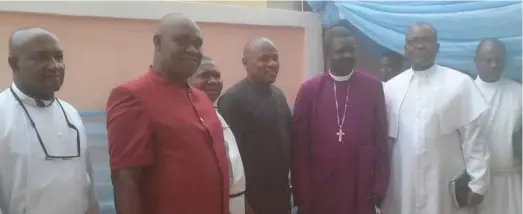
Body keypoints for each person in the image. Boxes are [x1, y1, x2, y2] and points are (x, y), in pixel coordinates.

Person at [106, 14, 229, 214]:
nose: (192, 50)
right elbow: (125, 181)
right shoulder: (132, 96)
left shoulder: (202, 99)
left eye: (198, 44)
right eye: (182, 41)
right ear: (158, 43)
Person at [382, 23, 490, 214]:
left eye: (426, 41)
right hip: (402, 184)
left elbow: (474, 139)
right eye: (413, 42)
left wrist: (478, 182)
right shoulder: (391, 88)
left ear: (437, 47)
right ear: (405, 49)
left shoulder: (459, 83)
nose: (420, 46)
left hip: (443, 184)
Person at [291, 26, 389, 214]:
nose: (347, 55)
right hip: (320, 186)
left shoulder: (372, 87)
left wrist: (379, 187)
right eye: (340, 51)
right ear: (328, 53)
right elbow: (299, 148)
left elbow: (381, 140)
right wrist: (303, 194)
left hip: (360, 186)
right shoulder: (310, 90)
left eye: (351, 50)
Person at [0, 28, 99, 214]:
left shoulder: (71, 114)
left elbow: (87, 187)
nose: (55, 66)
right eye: (41, 57)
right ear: (14, 64)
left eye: (59, 57)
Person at [218, 37, 292, 214]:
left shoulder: (278, 95)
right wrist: (242, 201)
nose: (273, 63)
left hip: (280, 195)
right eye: (264, 58)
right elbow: (228, 159)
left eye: (275, 58)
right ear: (245, 62)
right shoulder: (232, 100)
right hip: (251, 200)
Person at [188, 56, 249, 214]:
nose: (214, 81)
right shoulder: (188, 119)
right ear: (187, 80)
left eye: (216, 76)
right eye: (205, 76)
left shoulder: (217, 114)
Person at [473, 38, 521, 214]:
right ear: (476, 59)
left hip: (512, 180)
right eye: (488, 60)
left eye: (498, 60)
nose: (494, 65)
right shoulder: (465, 92)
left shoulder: (518, 93)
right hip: (475, 184)